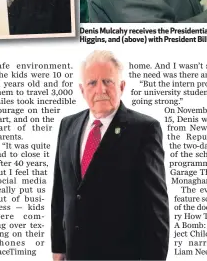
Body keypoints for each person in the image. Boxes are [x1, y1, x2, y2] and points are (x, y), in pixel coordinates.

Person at [51, 51, 169, 260]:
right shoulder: (67, 125)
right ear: (81, 89)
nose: (100, 90)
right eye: (92, 83)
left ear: (122, 86)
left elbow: (155, 208)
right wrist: (58, 247)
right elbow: (60, 191)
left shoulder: (144, 129)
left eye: (108, 81)